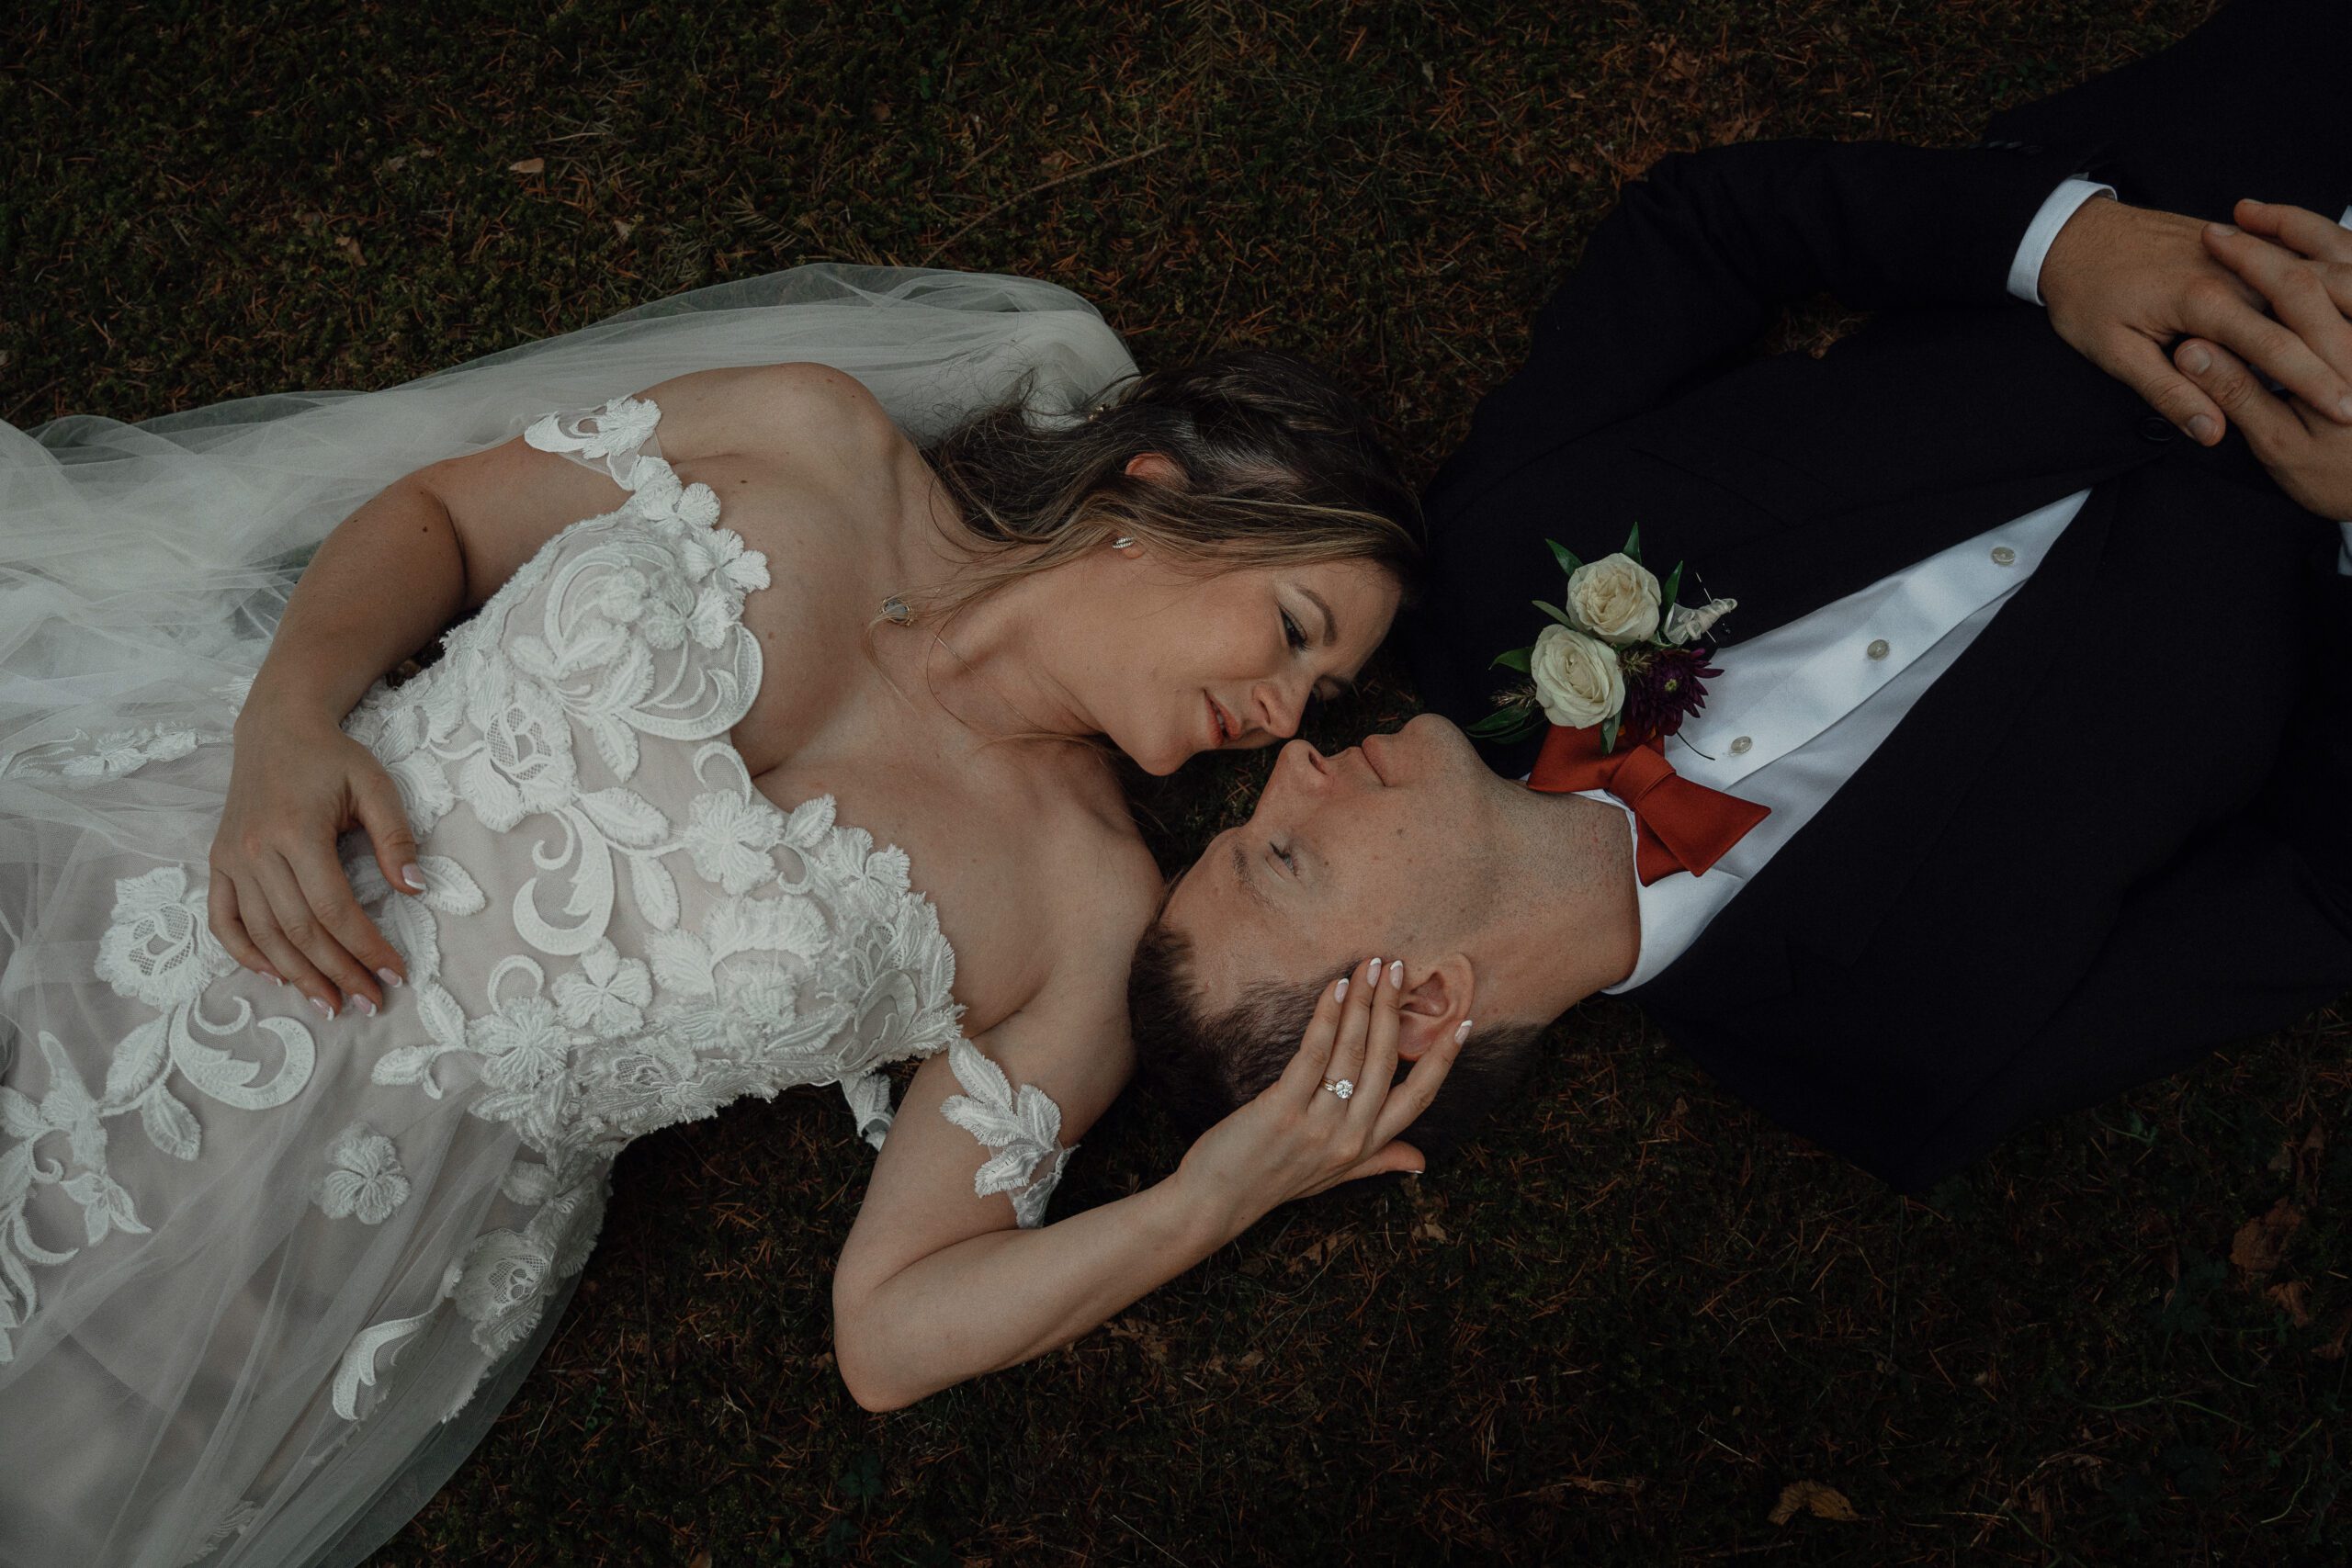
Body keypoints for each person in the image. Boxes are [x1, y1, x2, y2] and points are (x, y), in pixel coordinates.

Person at [0, 267, 1459, 1568]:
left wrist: (1213, 1196)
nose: (1285, 715)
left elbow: (890, 1334)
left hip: (315, 1225)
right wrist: (290, 718)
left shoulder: (1085, 908)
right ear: (1158, 497)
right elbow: (442, 515)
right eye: (1293, 631)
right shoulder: (808, 437)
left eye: (1322, 697)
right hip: (148, 884)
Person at [1137, 0, 2352, 1191]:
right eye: (1281, 855)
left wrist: (2054, 244)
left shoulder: (1488, 565)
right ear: (1425, 1001)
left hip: (2249, 162)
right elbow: (2324, 883)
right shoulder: (1912, 1057)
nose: (1291, 767)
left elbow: (1703, 230)